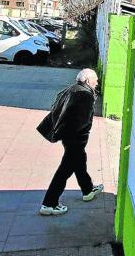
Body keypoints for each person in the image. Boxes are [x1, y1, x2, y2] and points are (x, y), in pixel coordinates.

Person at [39, 68, 104, 216]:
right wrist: (83, 134)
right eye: (95, 80)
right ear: (87, 81)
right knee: (65, 170)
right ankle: (49, 204)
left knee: (80, 162)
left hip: (68, 137)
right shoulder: (85, 94)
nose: (97, 83)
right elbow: (82, 121)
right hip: (75, 138)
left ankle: (87, 190)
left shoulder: (71, 89)